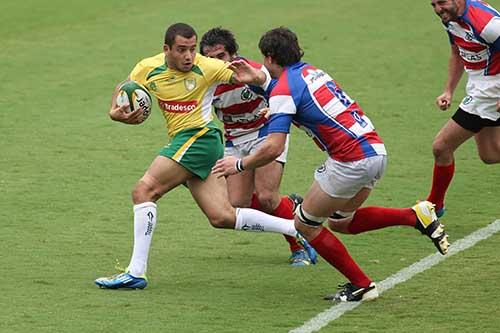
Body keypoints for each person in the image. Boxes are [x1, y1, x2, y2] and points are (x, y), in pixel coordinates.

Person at [213, 27, 449, 302]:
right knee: (342, 221)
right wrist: (264, 87)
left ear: (269, 57)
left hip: (350, 161)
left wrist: (239, 165)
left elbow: (273, 147)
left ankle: (362, 284)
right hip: (375, 151)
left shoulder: (283, 91)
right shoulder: (311, 71)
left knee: (304, 223)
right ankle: (413, 216)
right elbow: (293, 96)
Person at [94, 23, 316, 290]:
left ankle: (135, 272)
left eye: (191, 49)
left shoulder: (208, 67)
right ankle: (296, 227)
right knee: (222, 216)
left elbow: (254, 77)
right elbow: (126, 85)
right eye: (181, 50)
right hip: (200, 141)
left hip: (200, 138)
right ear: (166, 50)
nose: (189, 56)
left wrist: (264, 83)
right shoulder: (147, 67)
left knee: (144, 190)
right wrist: (114, 110)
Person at [199, 27, 314, 266]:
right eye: (209, 58)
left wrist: (272, 105)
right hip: (234, 139)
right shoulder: (205, 80)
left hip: (266, 132)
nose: (216, 63)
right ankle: (291, 206)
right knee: (236, 203)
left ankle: (299, 245)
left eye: (220, 56)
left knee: (266, 197)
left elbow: (280, 88)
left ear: (233, 55)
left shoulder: (250, 71)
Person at [426, 0, 500, 217]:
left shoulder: (488, 25)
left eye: (442, 2)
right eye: (433, 5)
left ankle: (433, 207)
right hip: (478, 86)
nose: (438, 9)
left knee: (441, 146)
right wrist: (448, 90)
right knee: (490, 153)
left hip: (491, 90)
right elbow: (457, 53)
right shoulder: (450, 18)